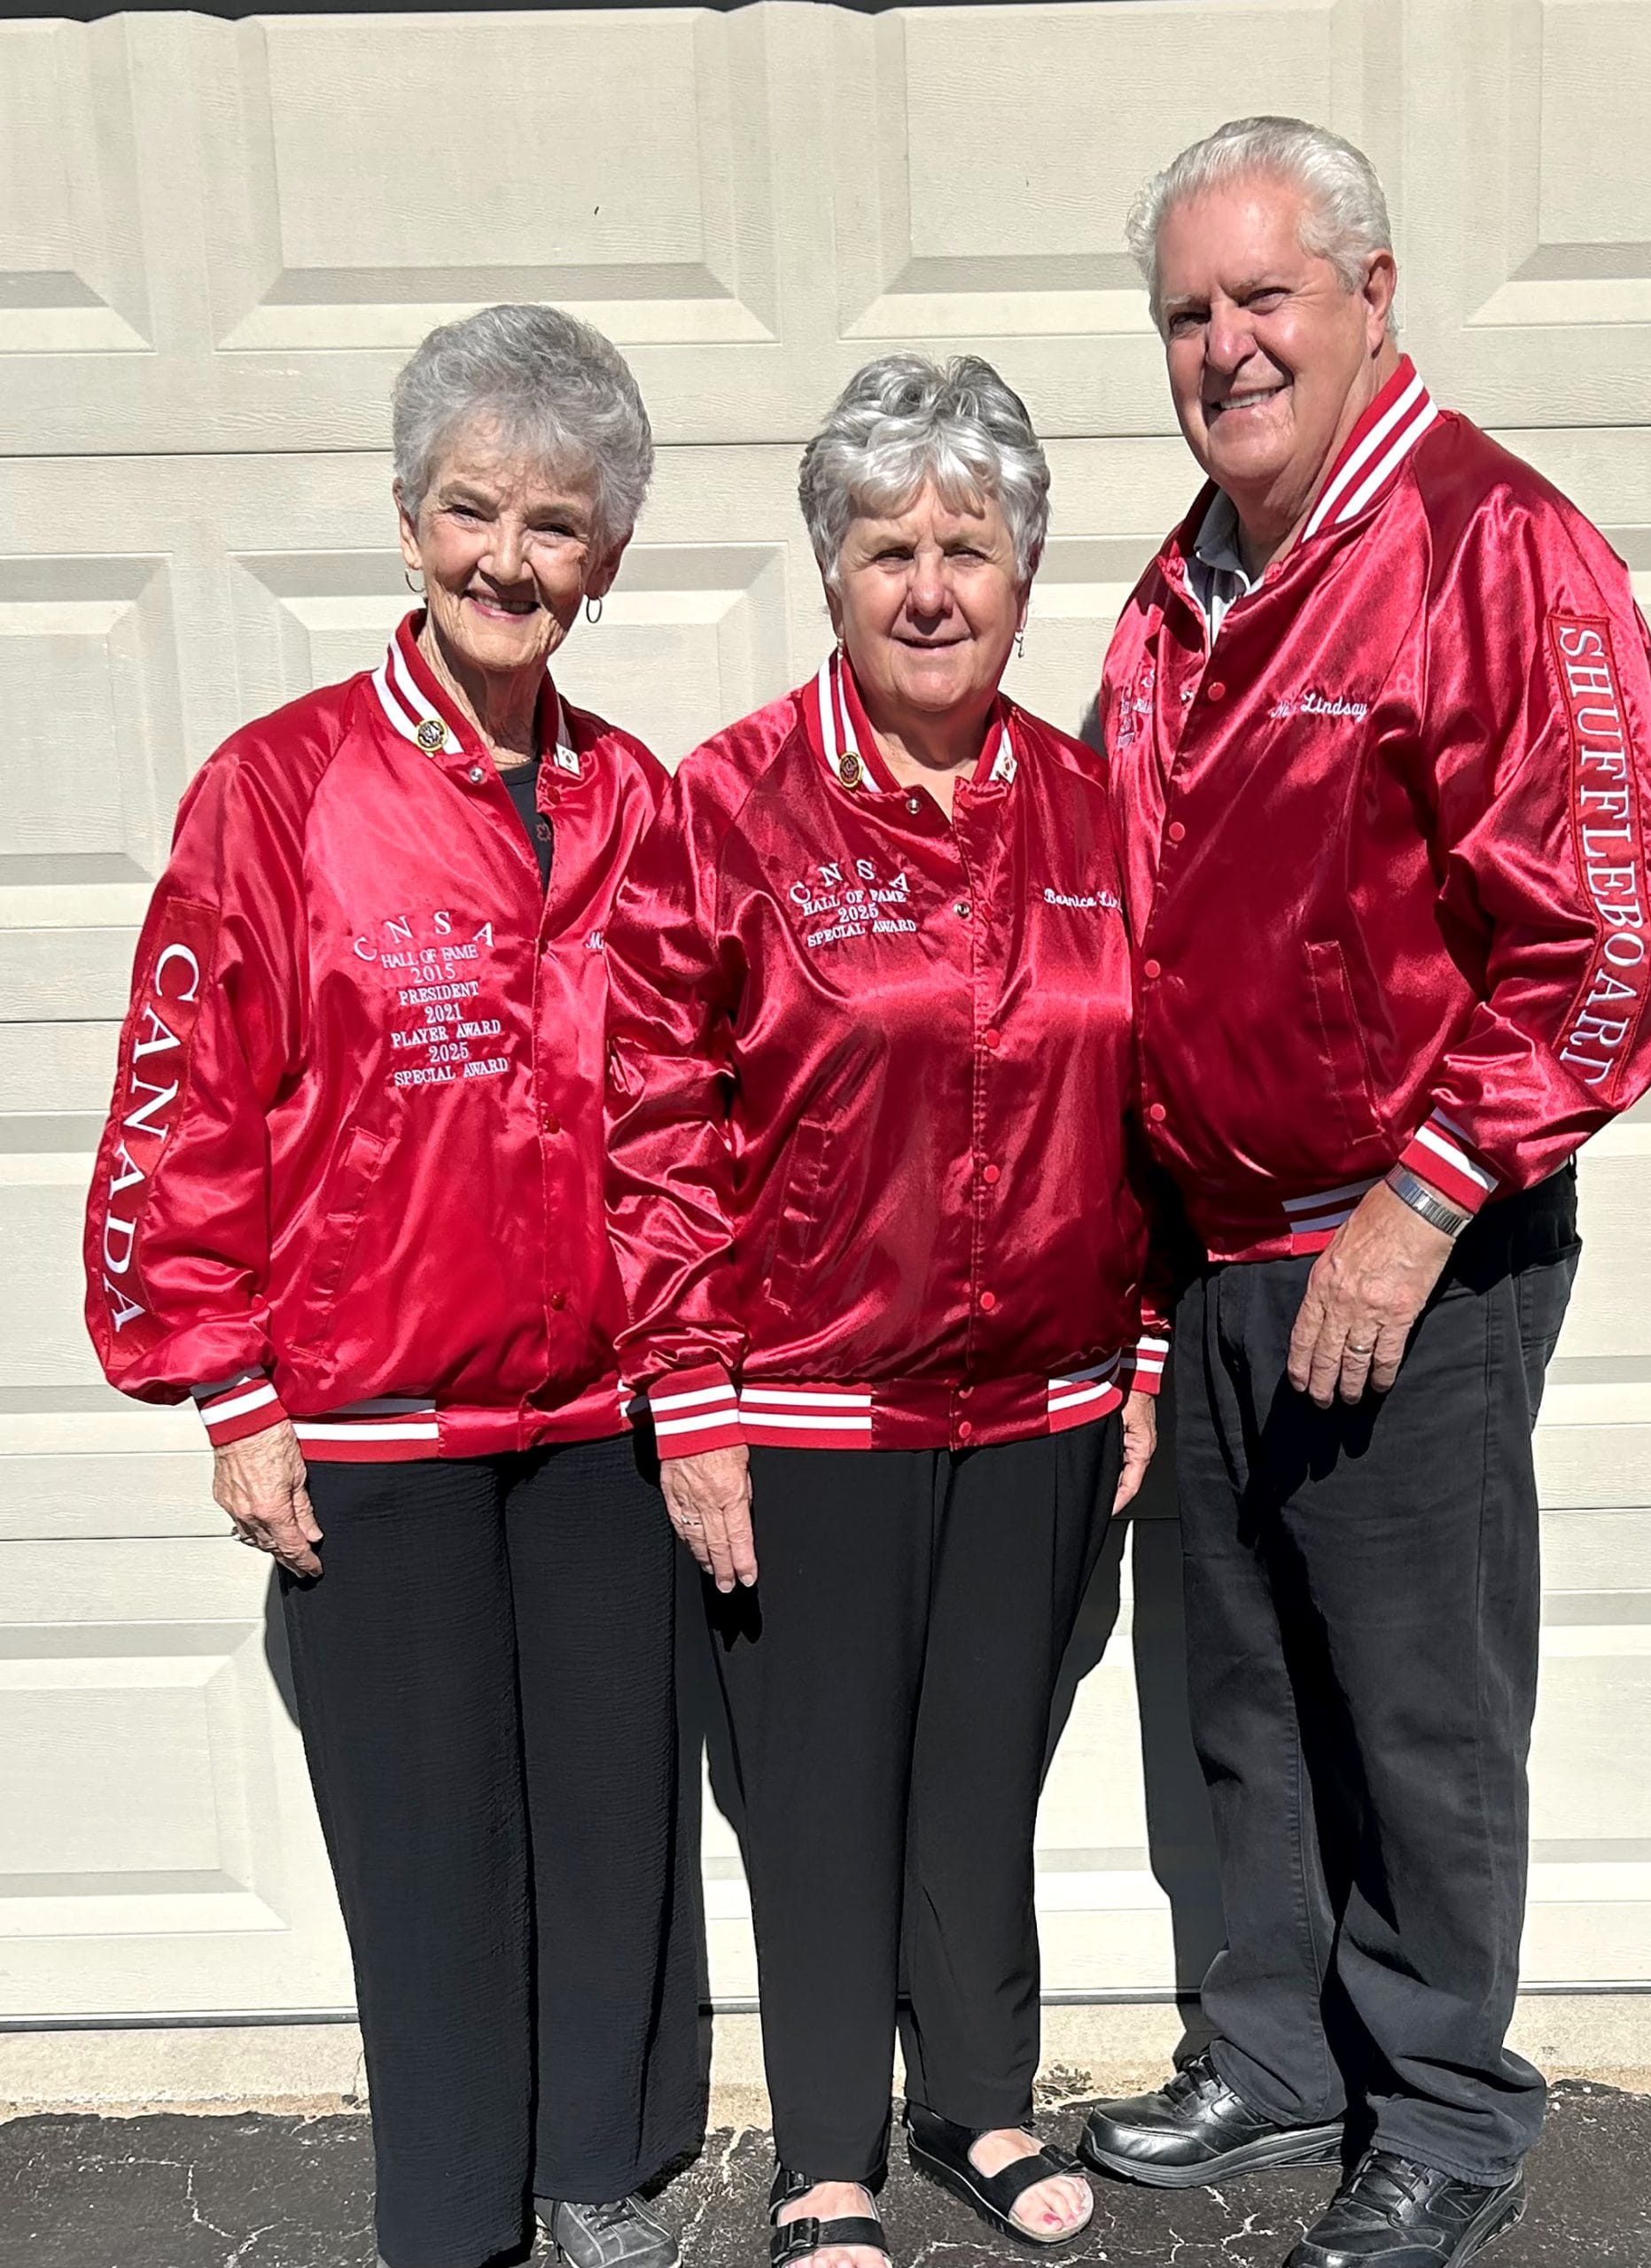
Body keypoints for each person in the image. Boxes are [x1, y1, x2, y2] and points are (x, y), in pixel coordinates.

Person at [1082, 118, 1651, 2268]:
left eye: (1263, 296)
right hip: (1216, 1250)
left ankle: (1442, 2103)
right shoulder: (1177, 592)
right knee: (1239, 1688)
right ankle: (1273, 2052)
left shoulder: (1487, 547)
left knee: (1418, 1705)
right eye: (1186, 312)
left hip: (1407, 1243)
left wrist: (1419, 1202)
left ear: (1371, 295)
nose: (1225, 346)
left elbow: (1610, 936)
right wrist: (1139, 1286)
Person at [82, 304, 704, 2268]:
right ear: (409, 517)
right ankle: (450, 2218)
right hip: (374, 1424)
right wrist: (229, 1388)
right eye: (470, 510)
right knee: (428, 1847)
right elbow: (183, 1103)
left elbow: (688, 1120)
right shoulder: (276, 791)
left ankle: (596, 2170)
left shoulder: (638, 803)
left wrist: (700, 1368)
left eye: (554, 524)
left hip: (596, 1427)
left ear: (606, 557)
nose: (507, 560)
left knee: (608, 1823)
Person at [603, 353, 1166, 2268]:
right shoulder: (732, 806)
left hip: (1043, 1413)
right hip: (812, 1412)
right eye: (885, 550)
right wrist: (691, 1397)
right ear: (830, 574)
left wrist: (1140, 1341)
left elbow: (1146, 1101)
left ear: (1024, 572)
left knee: (983, 1779)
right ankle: (827, 2153)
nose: (929, 589)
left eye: (966, 547)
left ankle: (982, 2101)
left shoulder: (1093, 811)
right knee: (821, 1796)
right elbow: (655, 1117)